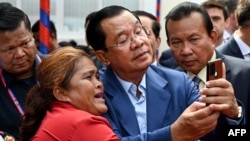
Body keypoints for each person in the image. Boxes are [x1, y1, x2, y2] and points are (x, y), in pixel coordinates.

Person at [86, 5, 242, 141]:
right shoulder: (95, 92)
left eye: (139, 31)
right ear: (103, 56)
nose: (138, 42)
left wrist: (234, 115)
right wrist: (173, 135)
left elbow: (214, 135)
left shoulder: (178, 82)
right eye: (123, 40)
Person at [165, 1, 250, 126]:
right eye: (176, 42)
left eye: (194, 39)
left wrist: (236, 113)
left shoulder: (245, 75)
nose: (186, 51)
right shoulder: (167, 83)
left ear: (212, 37)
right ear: (168, 44)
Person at [19, 47, 120, 141]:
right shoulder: (81, 123)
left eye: (97, 77)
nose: (99, 84)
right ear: (61, 93)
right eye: (88, 77)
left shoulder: (57, 115)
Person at [0, 6, 41, 141]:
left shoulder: (61, 69)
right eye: (9, 49)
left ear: (33, 38)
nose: (20, 54)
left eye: (25, 43)